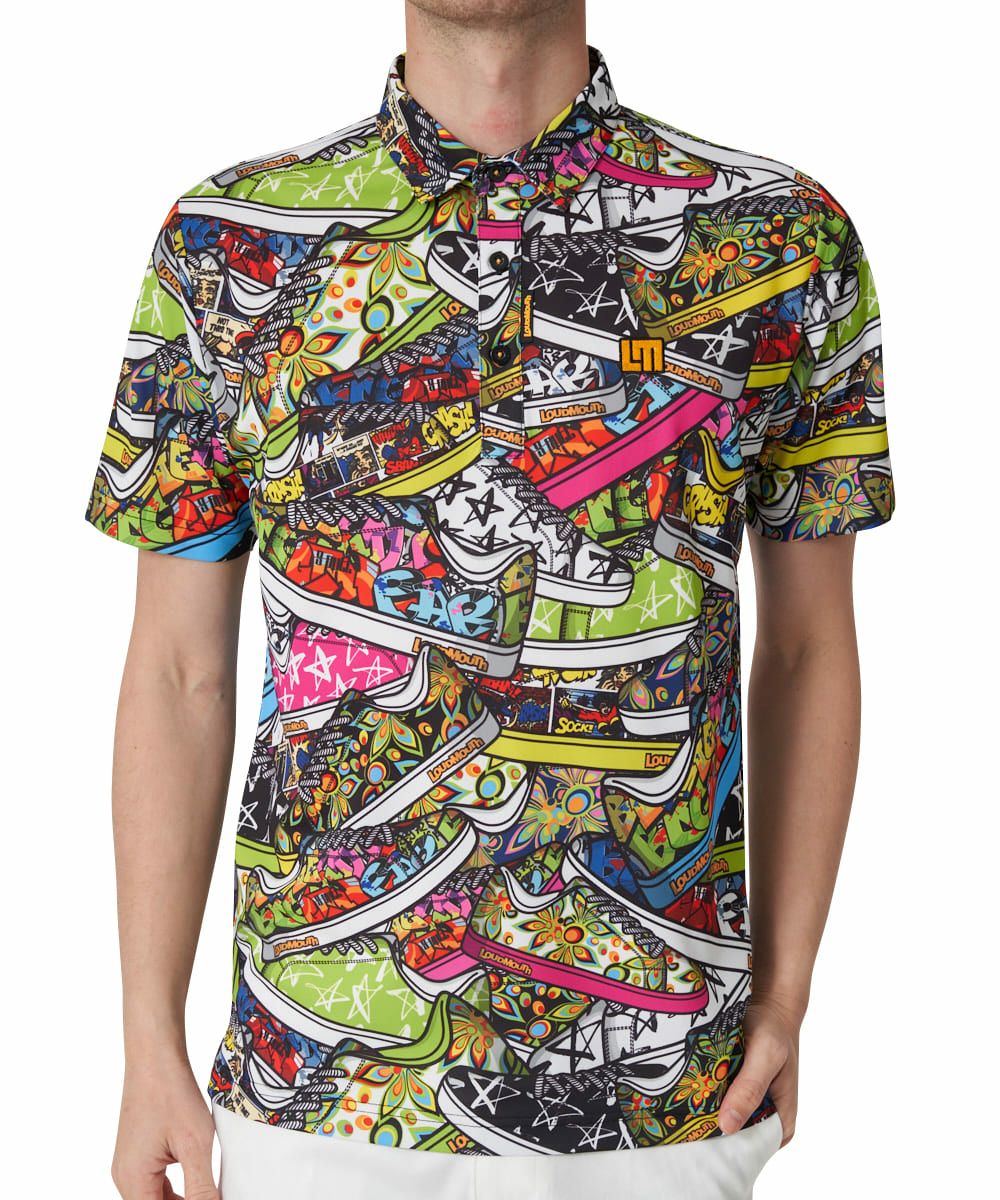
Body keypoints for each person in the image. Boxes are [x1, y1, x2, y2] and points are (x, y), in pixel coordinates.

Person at [83, 2, 895, 1197]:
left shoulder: (778, 236)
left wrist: (784, 993)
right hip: (318, 1088)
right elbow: (175, 671)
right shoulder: (227, 244)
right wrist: (146, 1035)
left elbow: (809, 649)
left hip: (666, 1103)